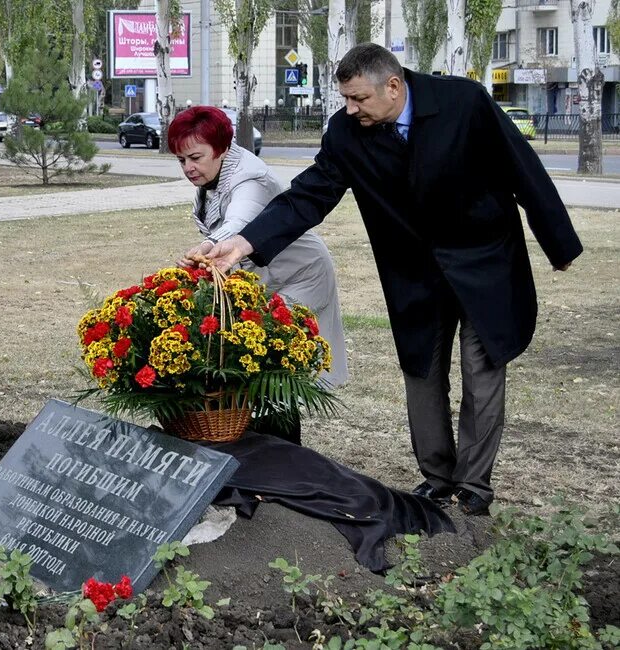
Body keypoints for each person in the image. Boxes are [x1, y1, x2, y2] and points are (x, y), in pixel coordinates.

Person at [187, 43, 582, 515]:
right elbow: (308, 196)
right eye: (346, 100)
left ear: (393, 86)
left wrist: (559, 244)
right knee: (421, 372)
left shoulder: (465, 103)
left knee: (482, 369)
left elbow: (525, 171)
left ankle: (474, 486)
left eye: (358, 99)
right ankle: (437, 477)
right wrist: (244, 243)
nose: (350, 109)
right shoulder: (346, 133)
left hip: (485, 263)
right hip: (413, 274)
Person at [169, 105, 349, 393]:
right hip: (263, 276)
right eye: (181, 160)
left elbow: (241, 219)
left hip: (300, 274)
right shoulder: (213, 175)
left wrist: (211, 245)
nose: (188, 167)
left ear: (222, 148)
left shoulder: (250, 178)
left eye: (195, 157)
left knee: (277, 376)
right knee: (253, 374)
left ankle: (278, 438)